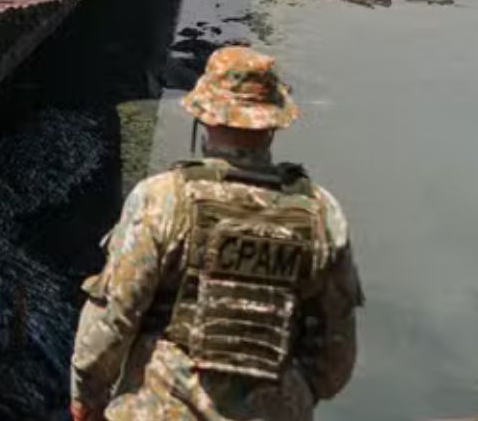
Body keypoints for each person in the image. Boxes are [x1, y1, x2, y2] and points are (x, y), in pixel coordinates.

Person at [69, 47, 362, 420]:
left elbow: (114, 318)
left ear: (203, 116)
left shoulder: (163, 199)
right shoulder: (320, 213)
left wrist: (86, 396)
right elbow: (336, 358)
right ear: (272, 125)